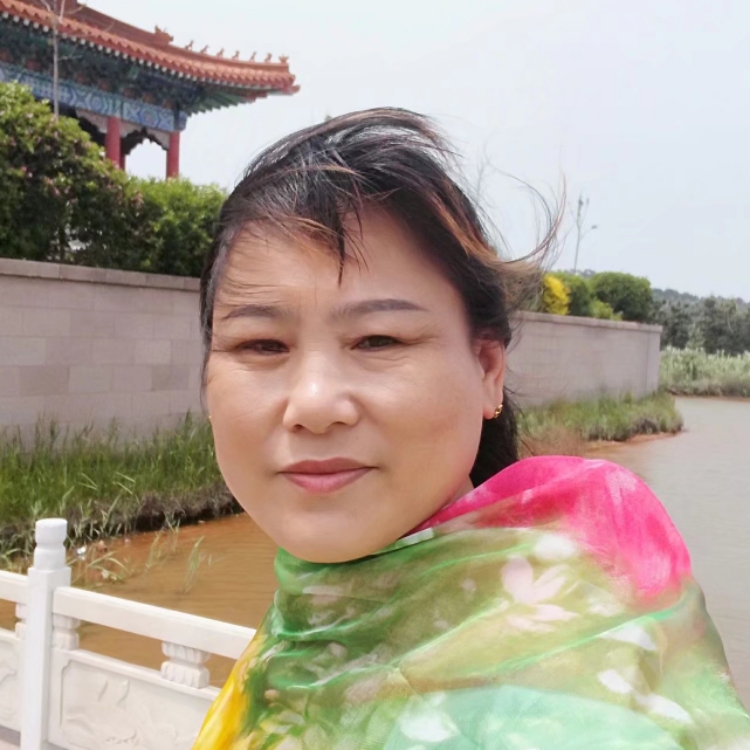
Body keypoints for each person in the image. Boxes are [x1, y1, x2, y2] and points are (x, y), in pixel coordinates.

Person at [192, 109, 749, 749]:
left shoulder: (582, 703)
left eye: (378, 340)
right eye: (261, 345)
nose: (314, 404)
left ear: (487, 369)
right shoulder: (306, 631)